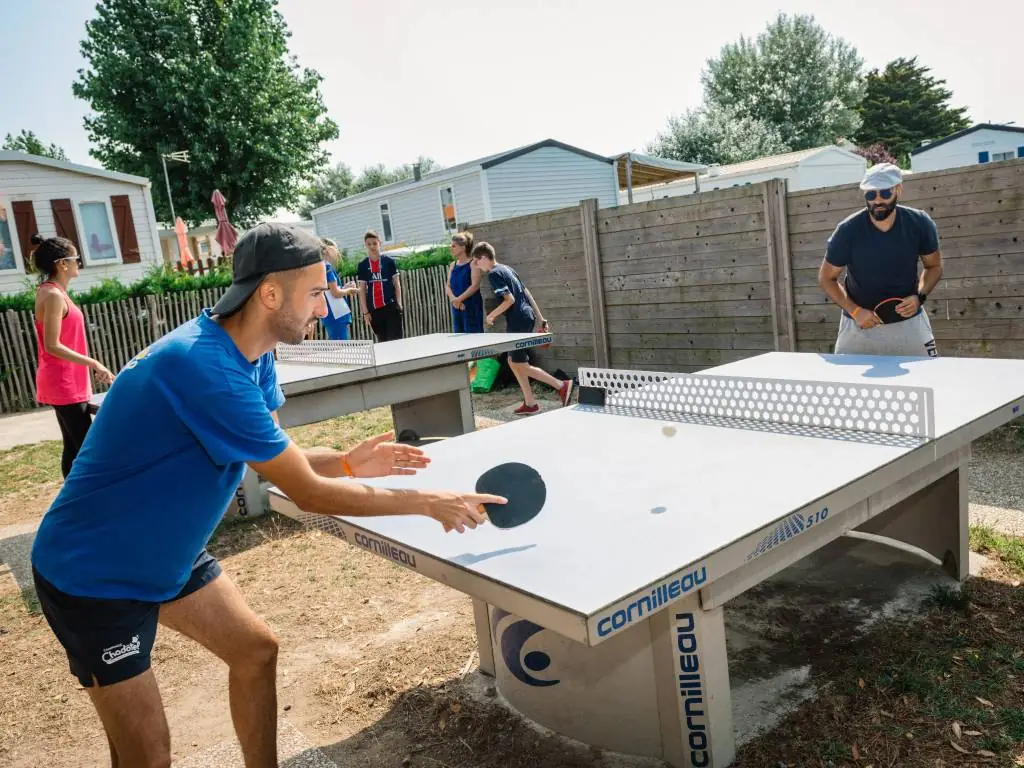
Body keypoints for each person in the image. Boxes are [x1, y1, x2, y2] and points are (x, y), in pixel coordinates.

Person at [29, 222, 501, 768]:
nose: (325, 310)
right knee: (147, 757)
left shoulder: (258, 351)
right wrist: (427, 501)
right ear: (270, 294)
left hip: (166, 553)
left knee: (255, 652)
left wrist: (347, 461)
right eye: (317, 293)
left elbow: (281, 459)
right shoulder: (203, 368)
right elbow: (309, 493)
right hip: (95, 573)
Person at [818, 163, 943, 357]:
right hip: (858, 325)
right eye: (870, 194)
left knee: (925, 380)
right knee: (848, 385)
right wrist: (855, 311)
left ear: (898, 189)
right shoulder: (847, 230)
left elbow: (934, 266)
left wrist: (920, 296)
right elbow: (826, 278)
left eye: (885, 193)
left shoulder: (919, 223)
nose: (877, 200)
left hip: (909, 325)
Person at [31, 234, 115, 478]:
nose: (79, 262)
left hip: (68, 380)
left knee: (74, 447)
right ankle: (87, 504)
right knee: (89, 450)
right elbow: (52, 345)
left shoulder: (54, 292)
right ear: (62, 264)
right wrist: (94, 363)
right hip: (63, 382)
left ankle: (72, 502)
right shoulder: (53, 295)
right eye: (76, 258)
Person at [470, 241, 573, 415]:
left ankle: (561, 385)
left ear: (484, 258)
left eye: (476, 261)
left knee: (519, 363)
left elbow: (509, 300)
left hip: (518, 319)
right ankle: (530, 403)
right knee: (513, 361)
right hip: (526, 316)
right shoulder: (507, 269)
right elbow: (527, 293)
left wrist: (492, 315)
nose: (476, 265)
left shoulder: (494, 274)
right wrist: (540, 318)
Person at [357, 230, 403, 341]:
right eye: (369, 244)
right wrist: (365, 312)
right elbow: (362, 290)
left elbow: (397, 285)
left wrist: (399, 305)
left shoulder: (389, 262)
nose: (372, 246)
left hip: (390, 307)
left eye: (374, 243)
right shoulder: (362, 265)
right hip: (374, 311)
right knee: (382, 342)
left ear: (379, 243)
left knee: (396, 341)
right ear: (365, 245)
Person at [320, 237, 359, 340]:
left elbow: (330, 290)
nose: (337, 253)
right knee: (341, 349)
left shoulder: (321, 268)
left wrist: (344, 287)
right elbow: (335, 293)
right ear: (328, 250)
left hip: (331, 316)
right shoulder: (328, 268)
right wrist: (349, 291)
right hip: (337, 315)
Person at [446, 231, 484, 333]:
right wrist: (454, 300)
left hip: (471, 306)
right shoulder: (452, 265)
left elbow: (475, 285)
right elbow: (447, 286)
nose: (451, 248)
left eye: (454, 246)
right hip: (456, 307)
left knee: (474, 338)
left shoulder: (473, 263)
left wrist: (459, 299)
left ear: (463, 247)